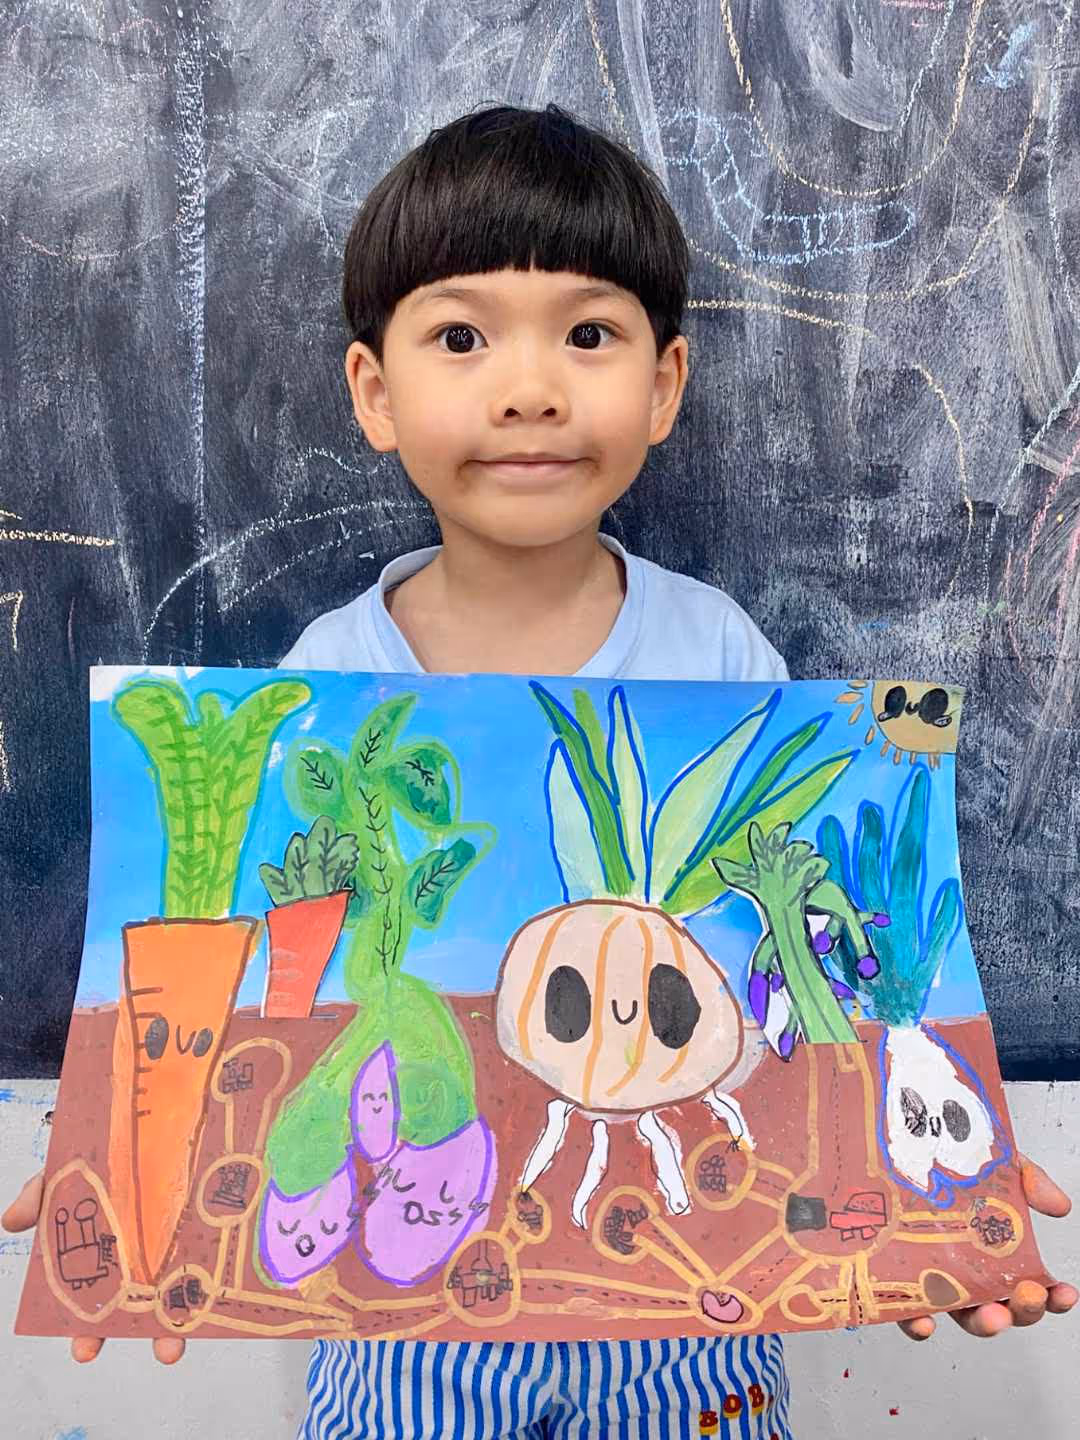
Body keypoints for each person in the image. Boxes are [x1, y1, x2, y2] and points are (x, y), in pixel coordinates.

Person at [4, 101, 1076, 1437]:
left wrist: (928, 1192)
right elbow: (265, 956)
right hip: (403, 1333)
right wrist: (126, 1144)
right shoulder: (324, 677)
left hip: (697, 1321)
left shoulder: (723, 660)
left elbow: (798, 948)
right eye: (461, 337)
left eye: (589, 335)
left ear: (665, 386)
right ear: (375, 394)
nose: (529, 386)